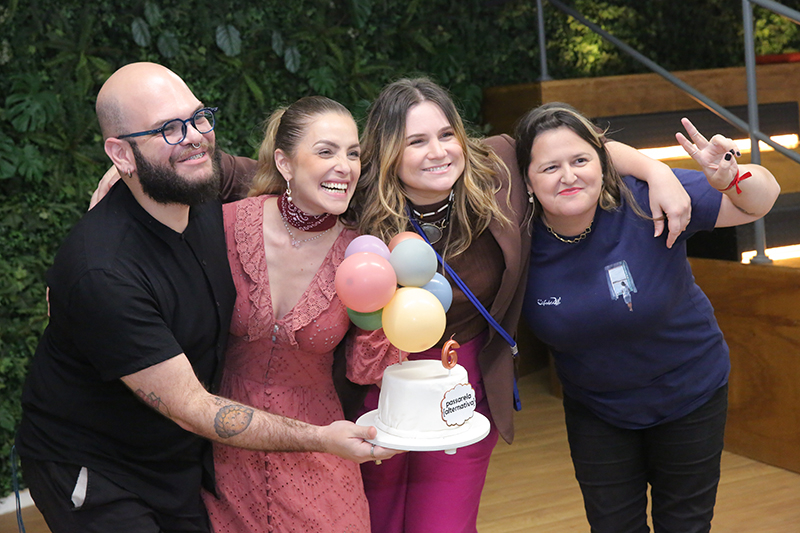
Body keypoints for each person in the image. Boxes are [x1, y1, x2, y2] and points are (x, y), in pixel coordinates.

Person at [15, 62, 395, 533]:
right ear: (122, 155)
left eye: (198, 118)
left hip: (178, 459)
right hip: (97, 465)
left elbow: (297, 177)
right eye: (169, 129)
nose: (194, 136)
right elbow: (193, 407)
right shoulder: (103, 271)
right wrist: (322, 438)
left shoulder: (205, 207)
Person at [351, 78, 693, 533]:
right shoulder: (354, 196)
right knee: (375, 521)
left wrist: (657, 172)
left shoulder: (498, 169)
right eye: (417, 141)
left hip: (462, 377)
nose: (438, 151)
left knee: (444, 524)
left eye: (446, 134)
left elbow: (582, 150)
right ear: (388, 149)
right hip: (375, 382)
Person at [515, 102, 780, 532]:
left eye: (581, 160)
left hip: (690, 392)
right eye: (549, 168)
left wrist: (732, 179)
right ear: (525, 180)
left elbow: (761, 201)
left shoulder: (643, 198)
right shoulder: (517, 240)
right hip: (597, 408)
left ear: (603, 164)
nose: (568, 176)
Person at [201, 96, 397, 532]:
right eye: (326, 151)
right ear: (285, 164)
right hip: (227, 444)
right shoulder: (226, 224)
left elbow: (373, 368)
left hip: (324, 447)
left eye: (353, 153)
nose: (345, 166)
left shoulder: (362, 254)